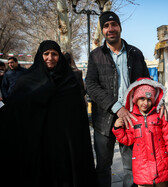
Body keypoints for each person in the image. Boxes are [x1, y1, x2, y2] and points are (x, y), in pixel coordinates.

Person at [0, 40, 96, 187]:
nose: (50, 57)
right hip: (37, 144)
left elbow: (78, 117)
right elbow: (14, 111)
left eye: (54, 54)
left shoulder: (70, 81)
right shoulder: (26, 81)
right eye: (46, 54)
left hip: (63, 146)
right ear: (40, 56)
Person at [85, 11, 150, 187]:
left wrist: (154, 102)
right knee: (103, 167)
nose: (110, 29)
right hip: (104, 121)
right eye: (106, 26)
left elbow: (145, 83)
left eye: (113, 25)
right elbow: (90, 85)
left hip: (132, 119)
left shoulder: (135, 53)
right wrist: (115, 106)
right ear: (102, 30)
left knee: (131, 168)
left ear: (120, 27)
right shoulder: (96, 55)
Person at [112, 78, 168, 187]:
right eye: (142, 99)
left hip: (161, 167)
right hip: (142, 169)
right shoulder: (132, 119)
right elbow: (127, 140)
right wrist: (117, 129)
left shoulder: (160, 116)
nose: (146, 103)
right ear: (135, 99)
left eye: (149, 99)